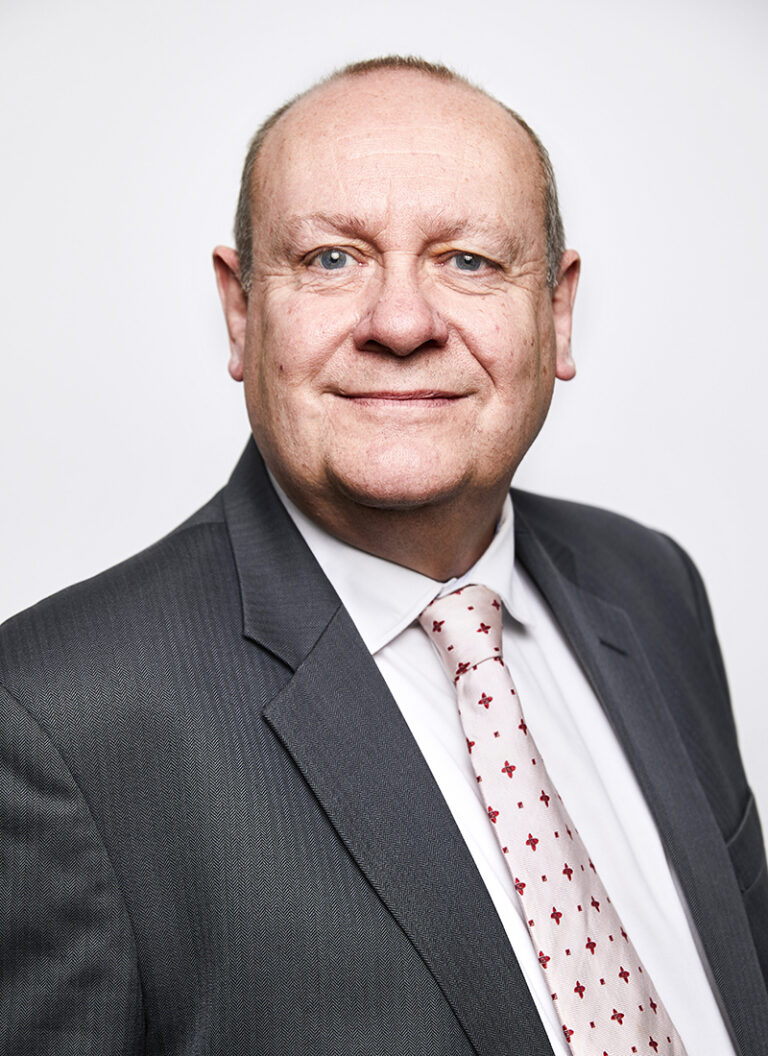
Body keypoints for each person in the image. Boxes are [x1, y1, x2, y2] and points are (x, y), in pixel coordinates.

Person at [1, 55, 766, 1056]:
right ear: (240, 311)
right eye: (331, 259)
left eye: (469, 261)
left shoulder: (653, 587)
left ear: (557, 311)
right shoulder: (57, 719)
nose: (402, 324)